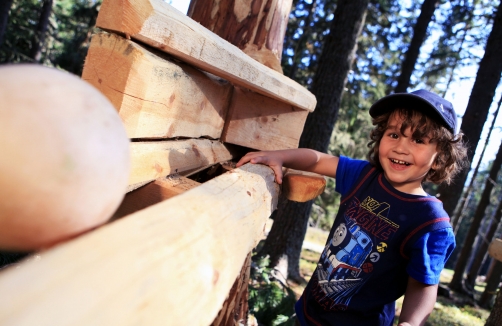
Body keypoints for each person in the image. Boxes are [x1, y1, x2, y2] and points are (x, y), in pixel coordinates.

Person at [236, 89, 468, 326]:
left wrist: (411, 322)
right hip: (308, 314)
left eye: (418, 140)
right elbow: (319, 159)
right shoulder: (363, 176)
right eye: (394, 134)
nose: (401, 147)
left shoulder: (431, 222)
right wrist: (280, 157)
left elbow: (423, 285)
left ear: (440, 157)